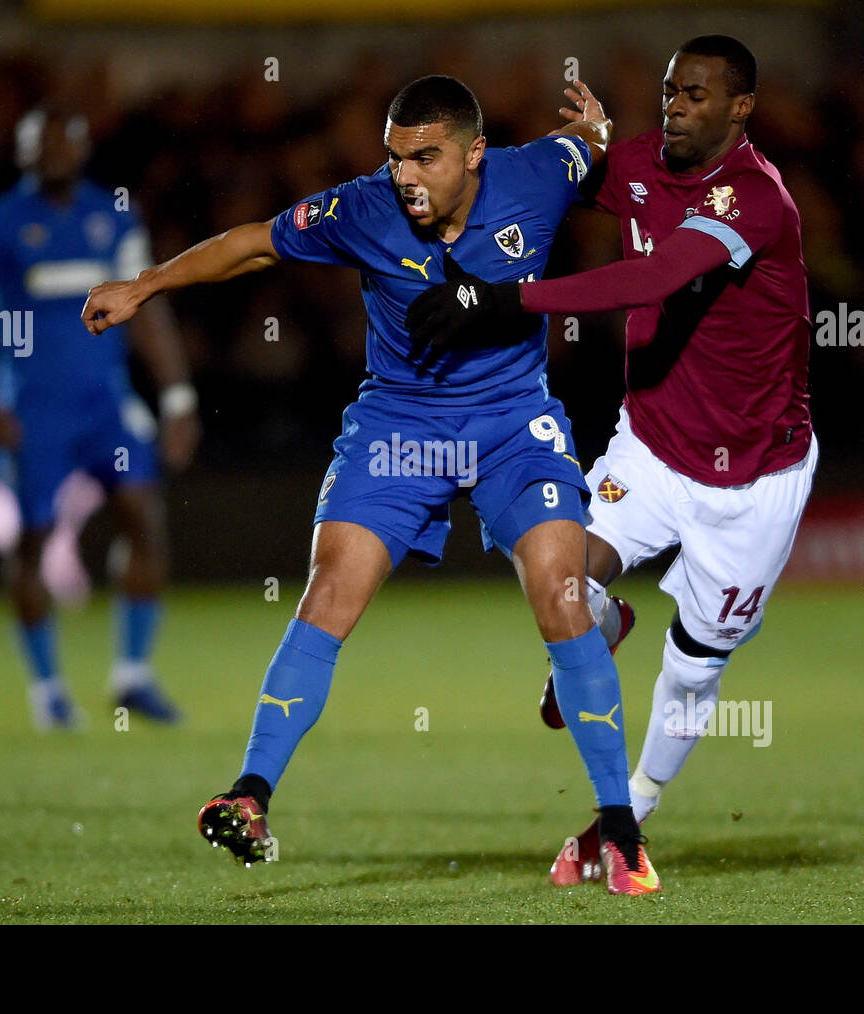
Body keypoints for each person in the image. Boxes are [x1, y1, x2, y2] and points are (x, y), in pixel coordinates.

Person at [82, 75, 658, 895]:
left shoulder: (538, 174)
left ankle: (620, 830)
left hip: (510, 423)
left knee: (561, 596)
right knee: (328, 593)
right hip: (400, 428)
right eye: (396, 158)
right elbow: (252, 242)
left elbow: (595, 153)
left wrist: (601, 130)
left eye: (426, 157)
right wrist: (145, 285)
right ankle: (250, 794)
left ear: (474, 154)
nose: (407, 177)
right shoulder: (361, 209)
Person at [406, 37, 817, 893]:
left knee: (698, 667)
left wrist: (502, 297)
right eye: (671, 90)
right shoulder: (633, 167)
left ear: (741, 108)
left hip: (756, 481)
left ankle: (624, 814)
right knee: (556, 572)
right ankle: (598, 623)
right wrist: (473, 170)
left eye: (698, 95)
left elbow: (654, 278)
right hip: (655, 446)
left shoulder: (755, 200)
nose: (676, 106)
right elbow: (535, 184)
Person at [0, 103, 200, 729]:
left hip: (105, 402)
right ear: (23, 154)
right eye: (42, 146)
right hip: (36, 408)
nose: (54, 156)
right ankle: (48, 693)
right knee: (34, 540)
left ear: (83, 150)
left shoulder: (112, 215)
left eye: (64, 144)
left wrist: (175, 397)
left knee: (144, 517)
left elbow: (147, 307)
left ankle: (132, 675)